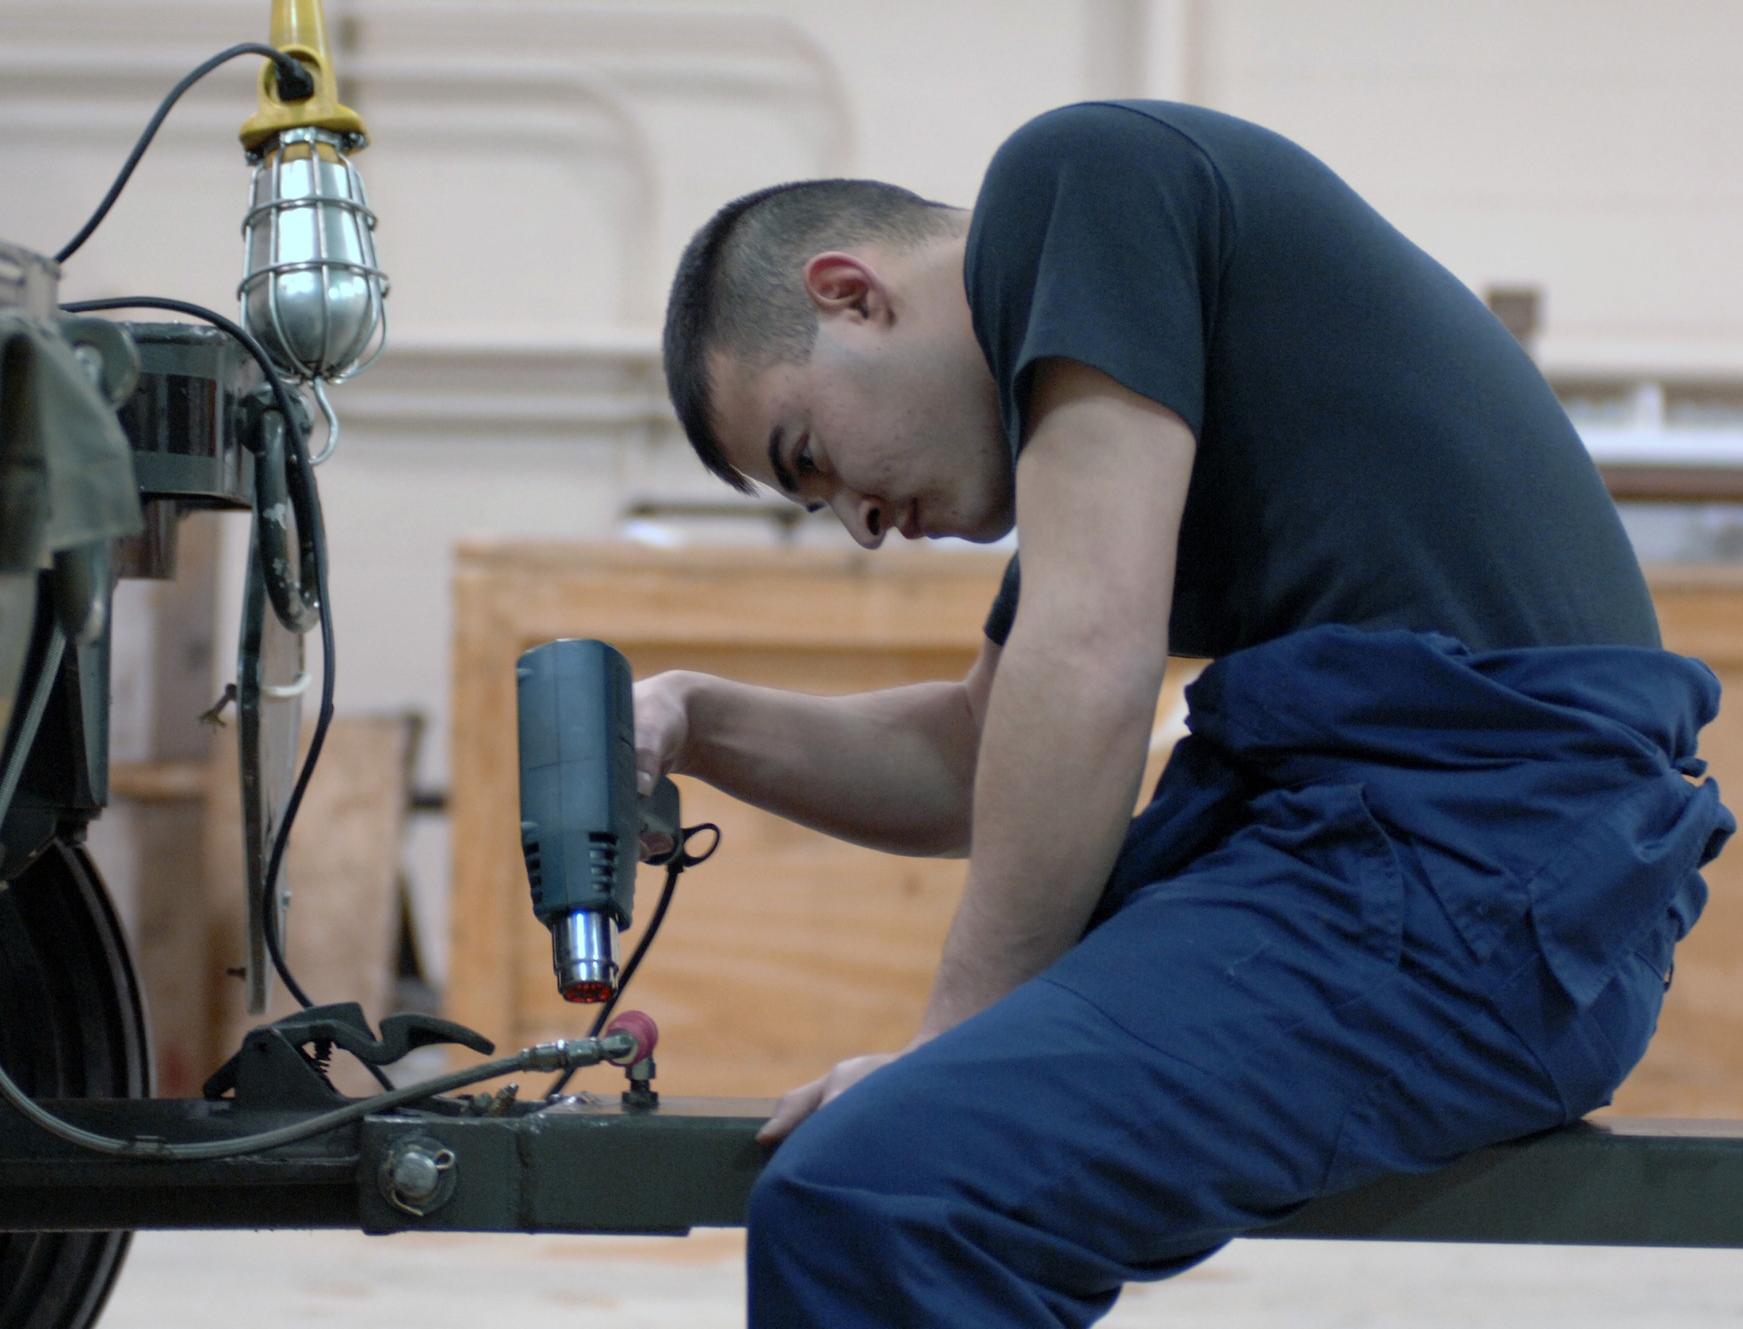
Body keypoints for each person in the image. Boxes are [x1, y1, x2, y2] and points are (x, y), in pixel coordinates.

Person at [636, 100, 1735, 1327]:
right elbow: (973, 754)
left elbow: (1090, 654)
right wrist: (690, 720)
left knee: (886, 1196)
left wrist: (947, 1050)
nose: (857, 522)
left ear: (849, 295)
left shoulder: (1079, 173)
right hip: (1473, 900)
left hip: (1467, 883)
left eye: (808, 457)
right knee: (889, 1175)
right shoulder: (1115, 407)